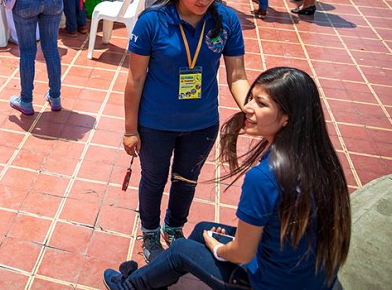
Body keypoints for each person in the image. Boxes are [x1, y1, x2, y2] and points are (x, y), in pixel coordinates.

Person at [105, 67, 351, 290]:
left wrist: (219, 249)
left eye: (261, 104)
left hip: (269, 283)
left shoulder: (264, 177)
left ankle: (128, 287)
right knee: (203, 229)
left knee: (180, 249)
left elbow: (242, 254)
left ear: (287, 118)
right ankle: (168, 280)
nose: (248, 107)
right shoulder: (319, 160)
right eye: (251, 97)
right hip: (309, 277)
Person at [123, 0, 248, 262]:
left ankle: (175, 227)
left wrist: (251, 107)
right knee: (153, 179)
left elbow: (237, 74)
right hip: (155, 123)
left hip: (201, 124)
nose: (204, 0)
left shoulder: (226, 21)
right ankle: (150, 232)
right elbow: (135, 79)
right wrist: (129, 130)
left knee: (186, 181)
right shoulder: (152, 21)